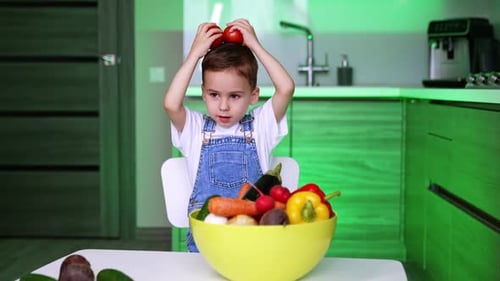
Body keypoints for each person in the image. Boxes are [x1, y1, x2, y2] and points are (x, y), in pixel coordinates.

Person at [164, 18, 295, 252]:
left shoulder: (259, 126)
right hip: (207, 242)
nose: (223, 106)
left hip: (254, 241)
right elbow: (171, 104)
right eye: (214, 94)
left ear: (253, 95)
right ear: (203, 93)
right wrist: (194, 54)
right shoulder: (194, 129)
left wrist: (255, 45)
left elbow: (286, 87)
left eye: (234, 96)